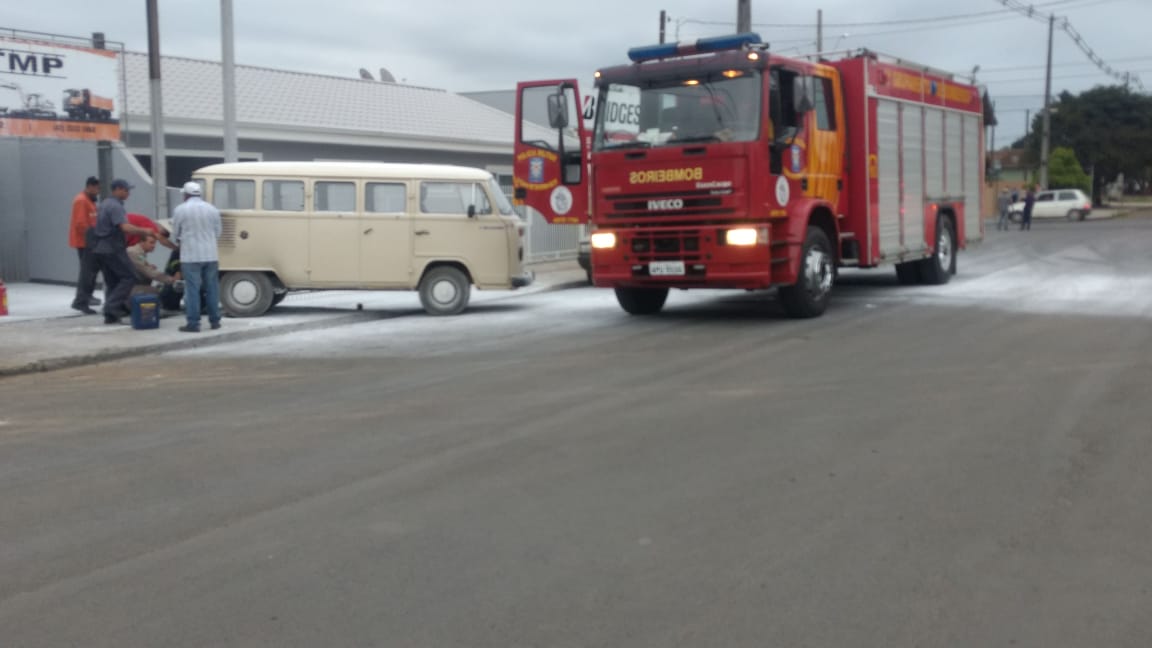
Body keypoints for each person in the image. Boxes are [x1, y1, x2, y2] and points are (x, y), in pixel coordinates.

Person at [90, 179, 157, 324]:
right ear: (118, 189)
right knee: (129, 277)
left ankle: (111, 316)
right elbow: (125, 227)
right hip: (113, 248)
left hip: (101, 248)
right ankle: (111, 307)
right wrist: (144, 230)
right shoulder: (115, 206)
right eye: (126, 190)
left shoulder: (104, 204)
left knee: (113, 281)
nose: (128, 193)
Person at [171, 180, 222, 332]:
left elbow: (176, 234)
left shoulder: (180, 209)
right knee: (212, 288)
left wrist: (181, 240)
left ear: (185, 195)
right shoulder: (212, 209)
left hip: (190, 256)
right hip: (211, 254)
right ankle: (215, 321)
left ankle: (193, 323)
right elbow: (218, 232)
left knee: (192, 289)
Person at [69, 176, 103, 314]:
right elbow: (81, 224)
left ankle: (86, 297)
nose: (98, 192)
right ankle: (81, 301)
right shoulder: (81, 201)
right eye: (97, 188)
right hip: (86, 243)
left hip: (89, 242)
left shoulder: (88, 200)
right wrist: (93, 240)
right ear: (90, 186)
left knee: (91, 272)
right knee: (87, 273)